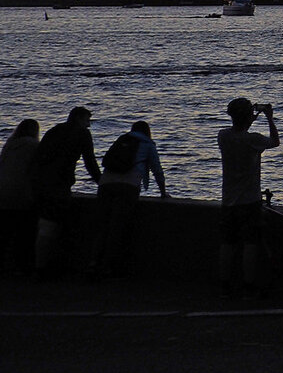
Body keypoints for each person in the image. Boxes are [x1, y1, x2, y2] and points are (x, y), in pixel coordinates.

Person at [87, 121, 169, 278]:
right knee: (117, 227)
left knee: (102, 226)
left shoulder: (121, 140)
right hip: (128, 187)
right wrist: (163, 192)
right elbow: (157, 170)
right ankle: (106, 267)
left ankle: (92, 263)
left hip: (106, 184)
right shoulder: (147, 144)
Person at [28, 107, 101, 277]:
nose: (89, 125)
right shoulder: (81, 133)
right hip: (58, 186)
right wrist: (101, 182)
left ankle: (38, 266)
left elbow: (38, 157)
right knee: (55, 226)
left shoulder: (54, 130)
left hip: (40, 183)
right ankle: (46, 268)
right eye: (87, 121)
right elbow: (90, 162)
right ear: (79, 119)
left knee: (43, 226)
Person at [217, 98, 279, 297]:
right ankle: (249, 285)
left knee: (228, 244)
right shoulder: (254, 139)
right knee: (250, 244)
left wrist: (251, 116)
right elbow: (275, 142)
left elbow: (239, 128)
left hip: (228, 201)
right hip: (250, 201)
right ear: (248, 117)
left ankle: (224, 285)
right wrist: (269, 117)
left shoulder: (223, 136)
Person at [0, 119, 40, 274]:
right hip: (21, 191)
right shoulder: (33, 145)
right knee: (23, 231)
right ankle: (21, 266)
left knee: (4, 231)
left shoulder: (9, 145)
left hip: (2, 189)